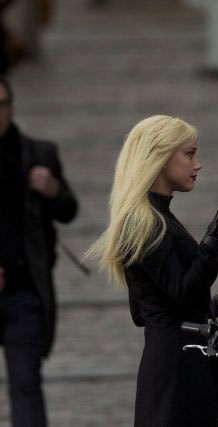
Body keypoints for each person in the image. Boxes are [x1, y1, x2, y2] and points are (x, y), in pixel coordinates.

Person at [85, 115, 218, 427]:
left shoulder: (153, 216)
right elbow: (181, 294)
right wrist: (217, 233)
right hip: (176, 371)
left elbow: (152, 308)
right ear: (161, 157)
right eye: (190, 154)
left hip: (176, 363)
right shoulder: (144, 223)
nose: (198, 164)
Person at [0, 75, 78, 426]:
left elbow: (69, 210)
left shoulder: (38, 153)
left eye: (2, 104)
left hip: (25, 292)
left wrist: (53, 190)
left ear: (12, 108)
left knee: (26, 383)